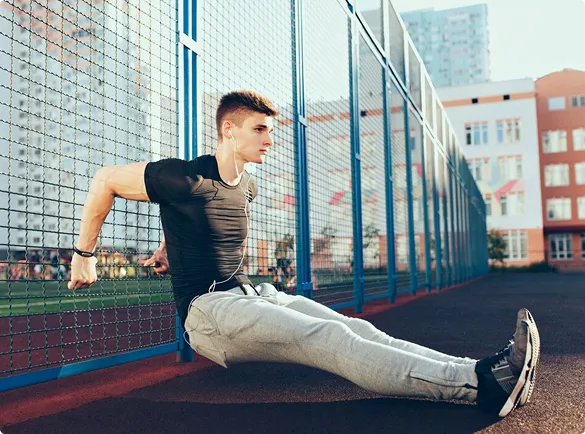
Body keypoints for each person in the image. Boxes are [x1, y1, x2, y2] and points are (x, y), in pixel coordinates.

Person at [67, 90, 540, 418]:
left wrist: (170, 245)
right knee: (331, 341)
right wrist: (84, 253)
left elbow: (198, 219)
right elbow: (105, 179)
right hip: (210, 314)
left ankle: (479, 370)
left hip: (253, 294)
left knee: (355, 327)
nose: (269, 139)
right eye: (260, 130)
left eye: (270, 130)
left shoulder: (245, 186)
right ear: (228, 130)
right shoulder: (184, 176)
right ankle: (482, 386)